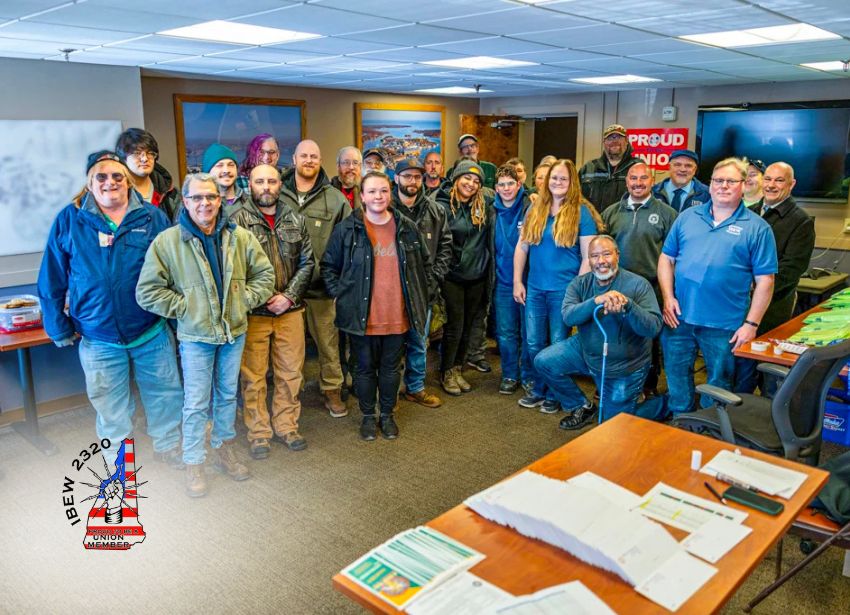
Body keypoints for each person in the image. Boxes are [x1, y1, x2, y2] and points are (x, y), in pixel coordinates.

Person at [38, 151, 184, 468]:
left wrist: (177, 320)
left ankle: (168, 446)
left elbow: (174, 271)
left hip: (150, 329)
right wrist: (57, 325)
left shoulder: (151, 217)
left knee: (165, 394)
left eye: (117, 176)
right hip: (98, 335)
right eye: (101, 176)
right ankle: (119, 461)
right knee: (110, 404)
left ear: (128, 181)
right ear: (90, 183)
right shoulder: (70, 219)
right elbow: (51, 276)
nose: (110, 182)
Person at [136, 172, 275, 497]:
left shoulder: (239, 237)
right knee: (197, 402)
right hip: (196, 337)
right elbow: (147, 291)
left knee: (227, 396)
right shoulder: (168, 242)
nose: (204, 203)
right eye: (197, 197)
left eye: (210, 197)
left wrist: (243, 301)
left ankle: (223, 448)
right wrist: (186, 308)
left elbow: (265, 275)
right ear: (185, 201)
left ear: (219, 199)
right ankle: (194, 461)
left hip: (233, 333)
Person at [658, 157, 777, 415]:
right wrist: (668, 297)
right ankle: (681, 421)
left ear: (743, 185)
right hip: (679, 318)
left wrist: (751, 324)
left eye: (730, 181)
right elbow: (666, 258)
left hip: (725, 325)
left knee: (719, 384)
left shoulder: (758, 228)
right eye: (718, 180)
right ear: (710, 184)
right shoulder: (687, 217)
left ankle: (710, 426)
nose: (723, 186)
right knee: (676, 377)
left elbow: (766, 281)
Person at [321, 172, 431, 441]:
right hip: (362, 317)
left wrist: (423, 295)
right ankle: (369, 416)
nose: (378, 196)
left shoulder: (406, 227)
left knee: (391, 369)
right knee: (364, 369)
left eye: (383, 191)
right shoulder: (347, 229)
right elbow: (328, 266)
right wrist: (340, 296)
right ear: (362, 196)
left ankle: (388, 415)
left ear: (390, 193)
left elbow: (425, 266)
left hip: (397, 315)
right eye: (371, 191)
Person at [229, 164, 315, 459]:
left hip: (290, 310)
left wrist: (289, 297)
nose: (266, 186)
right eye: (259, 181)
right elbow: (233, 268)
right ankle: (259, 433)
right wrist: (262, 296)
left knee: (290, 373)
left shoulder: (295, 218)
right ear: (249, 184)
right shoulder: (235, 220)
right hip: (254, 313)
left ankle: (287, 425)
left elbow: (308, 262)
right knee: (253, 377)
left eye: (271, 181)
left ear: (280, 184)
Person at [534, 235, 664, 430]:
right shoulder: (580, 283)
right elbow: (568, 317)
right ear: (589, 260)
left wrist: (629, 306)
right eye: (595, 256)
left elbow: (653, 327)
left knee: (613, 428)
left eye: (606, 254)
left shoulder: (638, 285)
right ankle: (581, 406)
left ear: (617, 255)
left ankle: (665, 405)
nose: (601, 261)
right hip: (586, 351)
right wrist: (596, 301)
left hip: (624, 367)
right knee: (544, 361)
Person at [514, 159, 602, 413]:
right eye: (554, 178)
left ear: (572, 182)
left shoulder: (581, 212)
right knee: (533, 343)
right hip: (535, 289)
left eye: (564, 178)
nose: (558, 182)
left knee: (557, 345)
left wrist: (575, 291)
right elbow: (522, 247)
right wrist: (518, 281)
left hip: (563, 291)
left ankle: (554, 394)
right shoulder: (535, 209)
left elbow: (588, 257)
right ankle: (539, 389)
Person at [279, 139, 350, 417]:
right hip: (286, 289)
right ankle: (290, 394)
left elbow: (347, 243)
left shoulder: (335, 199)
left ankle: (332, 389)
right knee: (289, 349)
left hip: (321, 289)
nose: (309, 160)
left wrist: (337, 282)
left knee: (328, 344)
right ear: (294, 159)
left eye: (314, 156)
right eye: (304, 156)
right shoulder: (278, 193)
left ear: (320, 161)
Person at [735, 162, 815, 393]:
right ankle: (738, 408)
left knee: (768, 376)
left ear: (792, 184)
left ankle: (765, 413)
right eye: (768, 179)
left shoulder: (800, 221)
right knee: (740, 372)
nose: (771, 185)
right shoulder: (747, 213)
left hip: (773, 309)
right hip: (739, 305)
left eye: (779, 180)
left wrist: (757, 290)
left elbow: (792, 270)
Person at [602, 162, 678, 396]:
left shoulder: (667, 214)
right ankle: (611, 384)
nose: (638, 183)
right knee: (615, 335)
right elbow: (601, 250)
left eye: (643, 178)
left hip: (651, 288)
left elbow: (675, 256)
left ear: (652, 181)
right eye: (633, 178)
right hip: (616, 286)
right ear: (627, 182)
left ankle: (648, 384)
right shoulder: (611, 212)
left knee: (648, 338)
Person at [392, 158, 452, 408]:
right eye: (407, 176)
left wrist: (434, 278)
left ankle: (415, 387)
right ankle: (389, 391)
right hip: (392, 291)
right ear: (396, 178)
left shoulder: (435, 211)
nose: (413, 181)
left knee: (419, 342)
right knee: (392, 344)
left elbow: (446, 247)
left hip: (424, 289)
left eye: (417, 177)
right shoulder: (385, 208)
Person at [431, 160, 493, 395]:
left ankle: (458, 368)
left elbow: (511, 196)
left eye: (476, 181)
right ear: (456, 179)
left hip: (477, 275)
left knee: (469, 326)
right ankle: (446, 371)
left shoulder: (484, 203)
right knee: (454, 327)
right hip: (452, 276)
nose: (471, 184)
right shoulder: (440, 205)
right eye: (467, 178)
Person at [492, 165, 532, 394]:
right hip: (502, 282)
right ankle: (509, 374)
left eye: (510, 184)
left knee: (529, 333)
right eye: (502, 184)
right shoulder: (490, 209)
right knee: (506, 333)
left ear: (519, 185)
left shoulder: (531, 206)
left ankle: (528, 375)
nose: (506, 188)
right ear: (496, 188)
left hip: (529, 281)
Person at [115, 128, 182, 221]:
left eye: (149, 153)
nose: (144, 159)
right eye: (137, 153)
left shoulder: (170, 193)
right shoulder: (115, 192)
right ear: (123, 159)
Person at [579, 124, 639, 213]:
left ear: (626, 141)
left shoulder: (638, 167)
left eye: (618, 137)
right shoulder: (588, 168)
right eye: (610, 138)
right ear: (604, 143)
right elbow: (576, 199)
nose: (614, 141)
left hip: (624, 221)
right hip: (592, 221)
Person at [651, 149, 710, 213]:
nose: (682, 169)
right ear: (669, 167)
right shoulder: (652, 192)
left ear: (695, 170)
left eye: (688, 166)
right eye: (677, 165)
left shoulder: (707, 194)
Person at [202, 143, 246, 208]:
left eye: (231, 165)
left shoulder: (251, 202)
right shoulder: (200, 205)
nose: (226, 170)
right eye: (219, 165)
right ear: (208, 173)